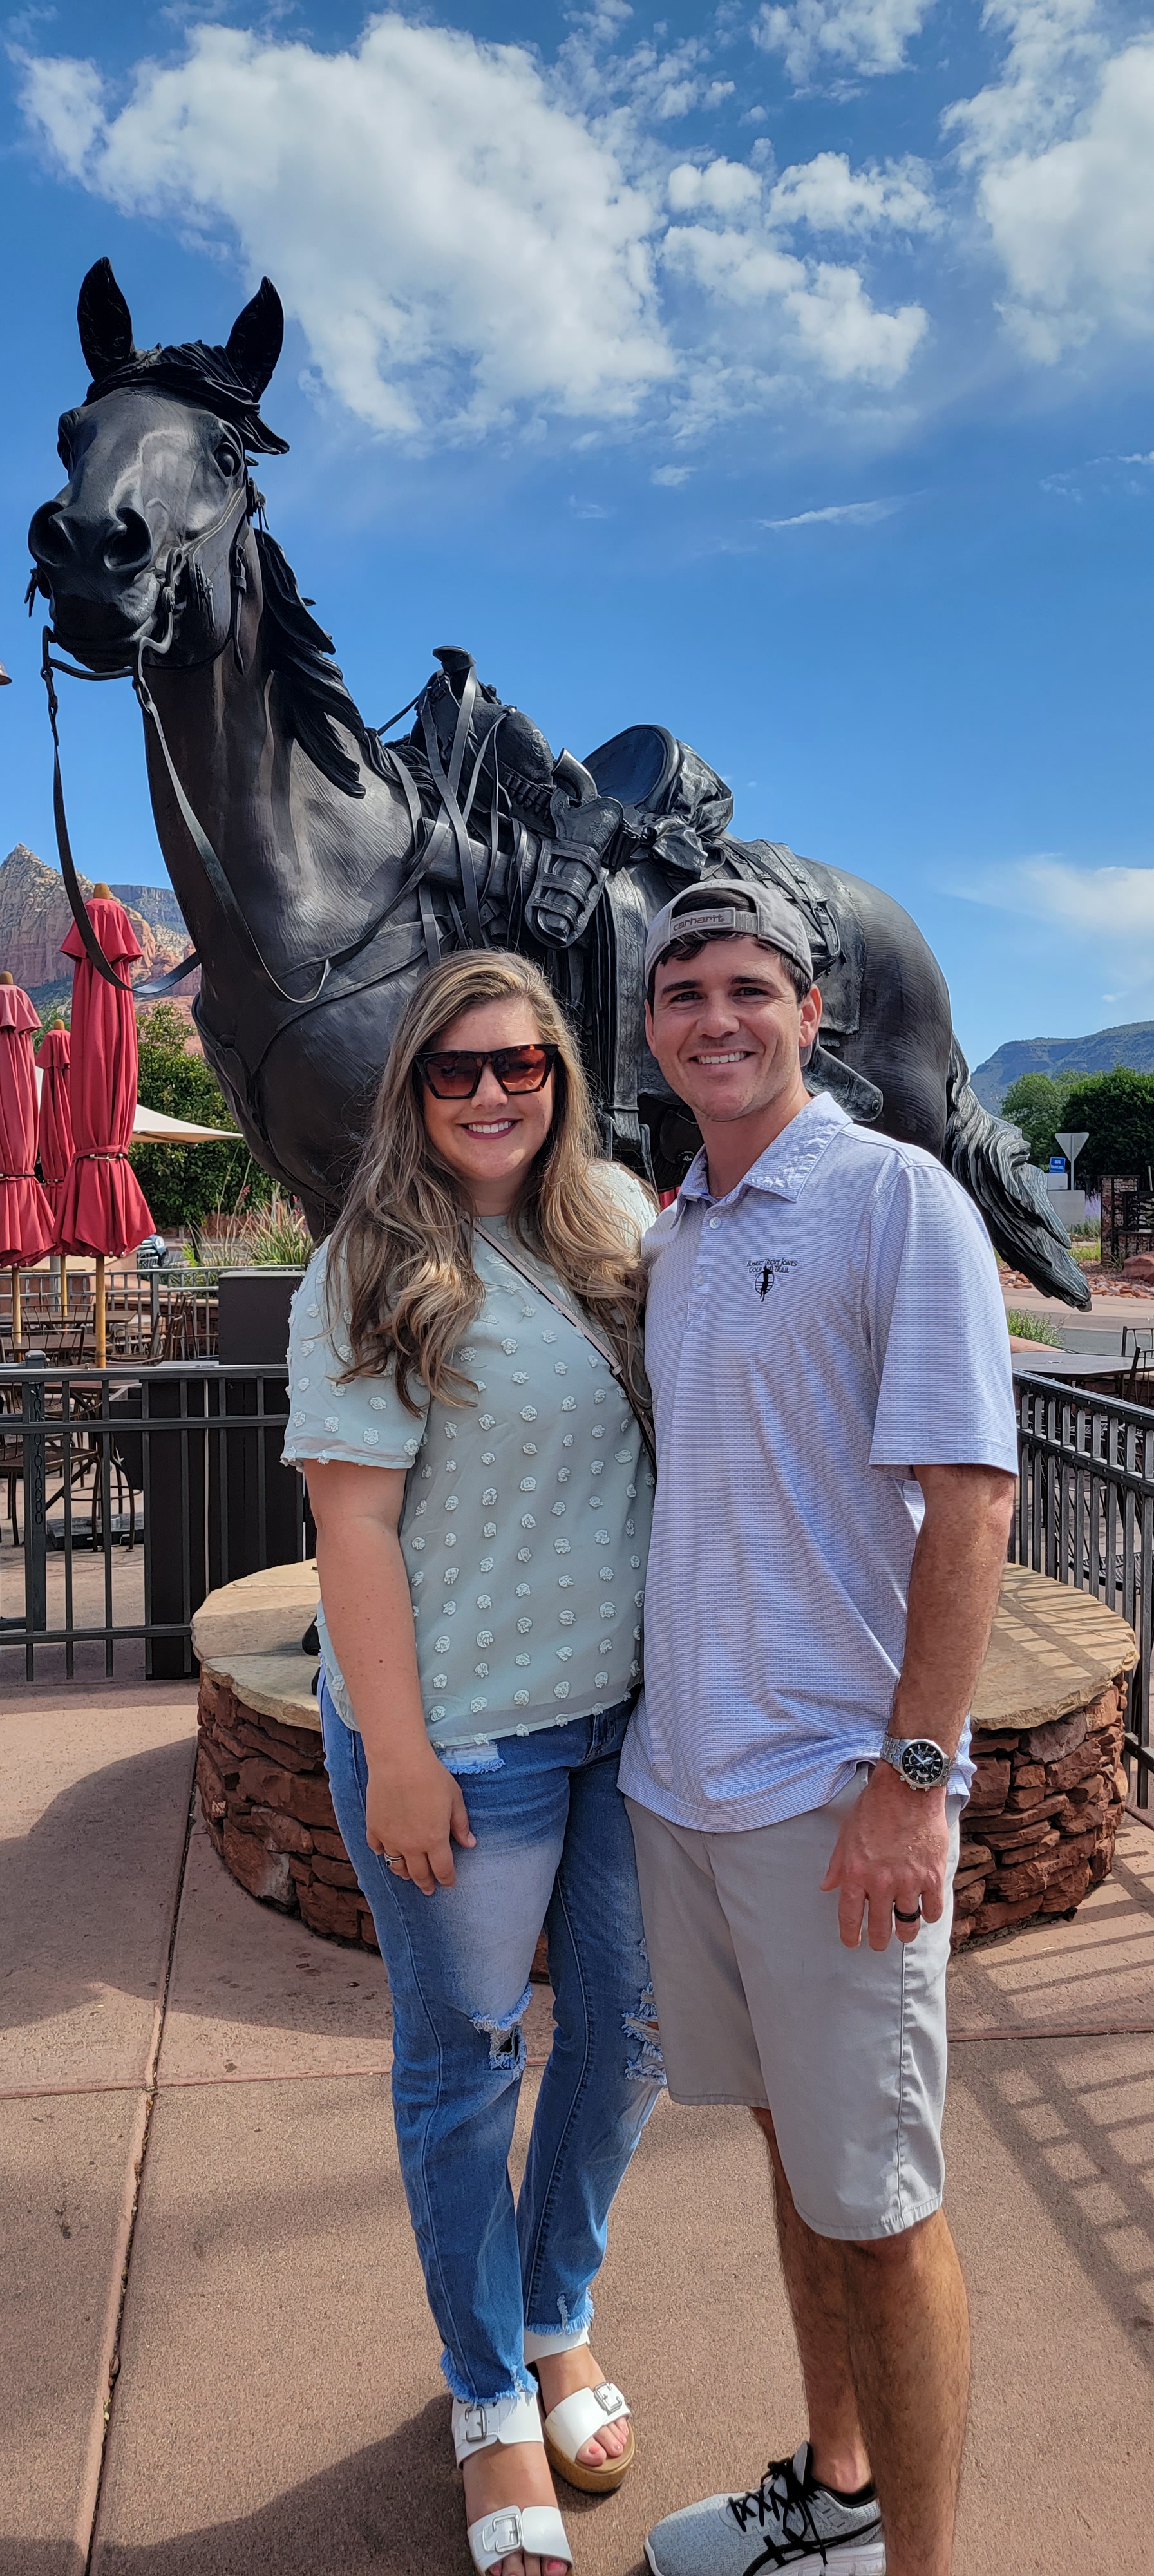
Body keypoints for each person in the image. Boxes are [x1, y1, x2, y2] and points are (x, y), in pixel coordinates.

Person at [618, 882, 1019, 2576]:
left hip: (836, 1797)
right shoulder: (676, 1235)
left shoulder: (891, 1198)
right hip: (688, 1791)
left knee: (885, 2209)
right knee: (800, 2163)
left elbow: (973, 1501)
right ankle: (838, 2492)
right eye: (682, 989)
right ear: (651, 1026)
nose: (715, 1016)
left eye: (748, 986)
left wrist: (914, 1784)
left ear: (814, 1008)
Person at [283, 951, 662, 2576]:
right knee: (465, 2070)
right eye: (455, 1069)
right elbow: (352, 1524)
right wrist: (400, 1754)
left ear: (559, 1074)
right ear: (414, 1090)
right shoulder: (368, 1262)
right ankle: (489, 2387)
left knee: (629, 2036)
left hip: (625, 1725)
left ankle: (554, 2308)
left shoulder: (616, 1229)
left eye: (519, 1063)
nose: (491, 1092)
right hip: (465, 1738)